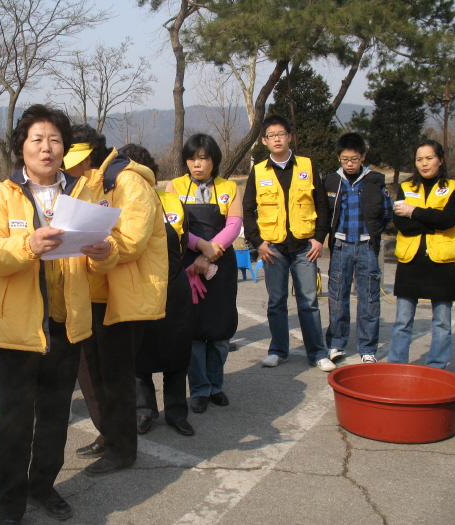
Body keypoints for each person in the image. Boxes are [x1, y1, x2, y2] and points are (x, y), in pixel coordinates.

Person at [0, 105, 117, 524]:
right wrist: (27, 247)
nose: (46, 147)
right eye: (37, 139)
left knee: (55, 416)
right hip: (17, 329)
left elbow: (100, 256)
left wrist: (106, 253)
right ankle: (10, 507)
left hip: (67, 323)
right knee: (15, 423)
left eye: (54, 140)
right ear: (21, 148)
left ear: (64, 148)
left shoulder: (82, 193)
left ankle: (43, 486)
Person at [63, 125, 168, 477]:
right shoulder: (87, 182)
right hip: (91, 292)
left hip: (123, 295)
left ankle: (123, 450)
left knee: (117, 377)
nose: (68, 168)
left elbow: (134, 241)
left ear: (89, 154)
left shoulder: (129, 182)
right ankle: (108, 435)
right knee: (92, 373)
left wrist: (101, 245)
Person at [243, 115, 334, 372]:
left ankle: (317, 353)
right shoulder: (259, 171)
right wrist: (258, 243)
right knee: (276, 301)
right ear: (264, 141)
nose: (277, 139)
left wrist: (319, 238)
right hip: (273, 248)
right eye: (271, 135)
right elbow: (248, 210)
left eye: (281, 134)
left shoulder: (306, 165)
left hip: (305, 246)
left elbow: (321, 205)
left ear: (289, 136)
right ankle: (278, 350)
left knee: (309, 301)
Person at [120, 144, 194, 436]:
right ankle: (144, 410)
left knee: (177, 352)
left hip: (174, 287)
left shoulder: (172, 202)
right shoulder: (117, 202)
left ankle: (177, 411)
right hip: (137, 288)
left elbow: (183, 241)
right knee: (140, 355)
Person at [166, 134, 241, 414]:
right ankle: (198, 389)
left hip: (221, 265)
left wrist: (213, 249)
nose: (197, 164)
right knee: (194, 332)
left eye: (203, 158)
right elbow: (175, 225)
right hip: (189, 265)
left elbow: (234, 224)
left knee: (220, 330)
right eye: (192, 158)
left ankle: (216, 386)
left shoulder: (230, 187)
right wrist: (200, 247)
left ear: (214, 160)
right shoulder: (175, 187)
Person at [388, 139, 455, 369]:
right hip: (411, 262)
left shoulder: (453, 188)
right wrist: (431, 220)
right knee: (402, 321)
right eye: (419, 159)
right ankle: (397, 365)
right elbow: (402, 224)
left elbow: (449, 220)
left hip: (441, 264)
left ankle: (436, 367)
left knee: (441, 322)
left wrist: (414, 211)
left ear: (440, 160)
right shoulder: (406, 187)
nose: (424, 163)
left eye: (429, 158)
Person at [323, 133, 393, 364]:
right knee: (337, 297)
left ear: (363, 156)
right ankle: (336, 343)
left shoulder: (375, 180)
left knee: (369, 299)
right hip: (341, 246)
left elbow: (386, 212)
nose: (350, 164)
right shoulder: (331, 181)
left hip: (367, 247)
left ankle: (367, 348)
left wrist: (373, 234)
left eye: (354, 159)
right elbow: (325, 213)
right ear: (339, 158)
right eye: (345, 159)